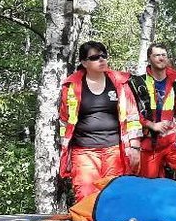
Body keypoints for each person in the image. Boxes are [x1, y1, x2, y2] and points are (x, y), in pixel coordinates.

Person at [59, 41, 143, 202]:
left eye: (104, 55)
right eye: (95, 57)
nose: (101, 59)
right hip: (84, 151)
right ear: (84, 63)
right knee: (85, 195)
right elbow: (64, 121)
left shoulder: (119, 82)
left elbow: (132, 116)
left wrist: (135, 147)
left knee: (115, 195)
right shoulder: (71, 86)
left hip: (115, 150)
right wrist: (65, 151)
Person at [130, 44, 176, 184]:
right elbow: (130, 113)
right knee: (148, 186)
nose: (161, 58)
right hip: (148, 144)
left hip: (172, 142)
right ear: (149, 59)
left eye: (163, 54)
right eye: (156, 55)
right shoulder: (138, 84)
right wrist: (151, 125)